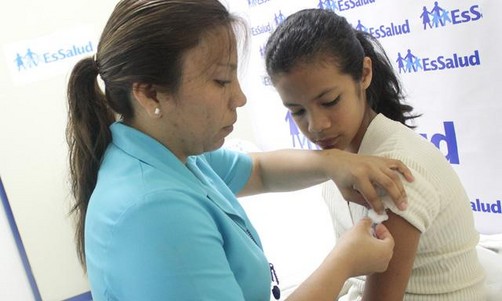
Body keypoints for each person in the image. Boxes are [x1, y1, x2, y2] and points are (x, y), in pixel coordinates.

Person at [66, 1, 415, 300]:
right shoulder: (152, 210)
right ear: (150, 94)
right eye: (221, 81)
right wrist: (344, 263)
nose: (240, 98)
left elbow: (259, 171)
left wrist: (332, 162)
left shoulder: (171, 154)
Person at [265, 8, 486, 301]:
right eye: (297, 111)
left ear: (364, 74)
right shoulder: (341, 161)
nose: (316, 126)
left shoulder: (393, 172)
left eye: (330, 101)